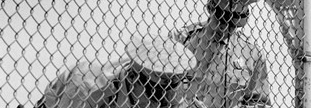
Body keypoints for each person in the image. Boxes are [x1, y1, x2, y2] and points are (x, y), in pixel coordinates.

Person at [171, 0, 270, 108]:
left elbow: (260, 102)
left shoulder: (252, 53)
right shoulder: (182, 40)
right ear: (211, 9)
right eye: (221, 21)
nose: (225, 30)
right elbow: (159, 90)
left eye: (233, 26)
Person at [34, 34, 201, 108]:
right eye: (158, 92)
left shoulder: (168, 92)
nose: (163, 103)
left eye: (175, 84)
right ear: (135, 76)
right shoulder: (88, 87)